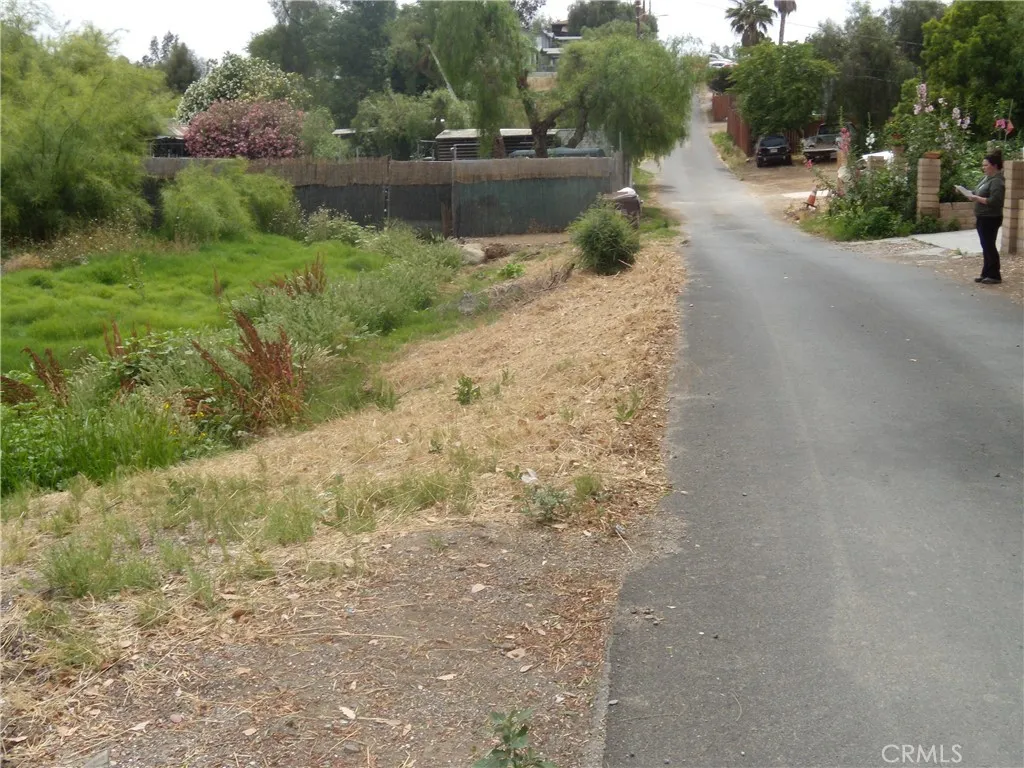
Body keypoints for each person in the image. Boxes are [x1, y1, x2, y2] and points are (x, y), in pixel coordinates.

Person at [968, 150, 1005, 284]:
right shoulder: (987, 178)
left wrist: (977, 198)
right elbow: (978, 192)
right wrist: (968, 193)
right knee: (985, 245)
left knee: (989, 245)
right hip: (982, 216)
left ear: (994, 165)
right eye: (983, 165)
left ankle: (994, 274)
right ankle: (986, 272)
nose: (983, 168)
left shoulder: (997, 181)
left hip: (990, 217)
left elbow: (995, 201)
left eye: (986, 165)